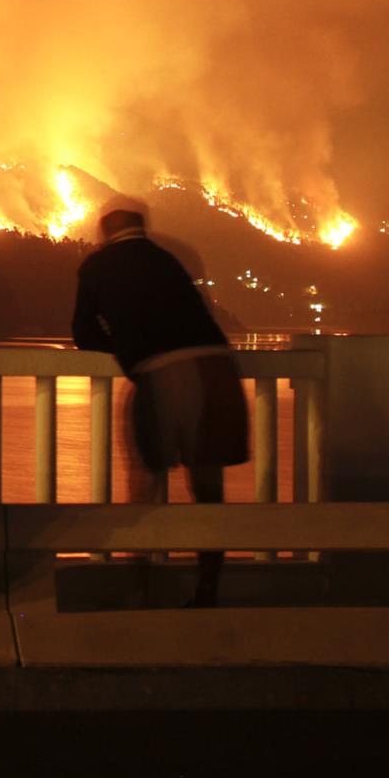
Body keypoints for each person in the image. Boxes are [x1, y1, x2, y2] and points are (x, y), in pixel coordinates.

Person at [72, 204, 247, 607]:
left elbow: (83, 331)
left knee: (146, 481)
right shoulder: (167, 259)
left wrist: (128, 346)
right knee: (207, 488)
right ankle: (208, 590)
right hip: (219, 372)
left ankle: (140, 589)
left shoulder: (99, 264)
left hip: (165, 374)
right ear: (142, 228)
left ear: (103, 232)